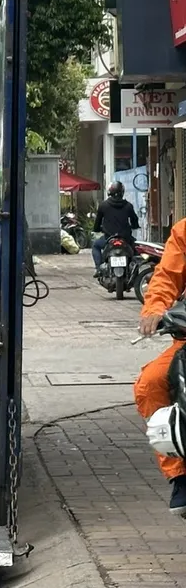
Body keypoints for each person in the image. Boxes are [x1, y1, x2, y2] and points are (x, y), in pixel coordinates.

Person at [136, 216, 186, 514]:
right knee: (150, 384)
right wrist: (155, 309)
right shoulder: (184, 231)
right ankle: (180, 473)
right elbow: (167, 276)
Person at [91, 181, 139, 275]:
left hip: (108, 238)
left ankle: (99, 268)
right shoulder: (128, 206)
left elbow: (97, 223)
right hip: (126, 238)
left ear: (110, 192)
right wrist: (134, 226)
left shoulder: (103, 205)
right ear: (122, 192)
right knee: (137, 250)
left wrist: (97, 229)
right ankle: (134, 271)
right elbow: (134, 220)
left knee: (96, 246)